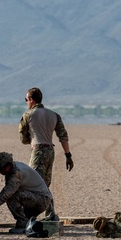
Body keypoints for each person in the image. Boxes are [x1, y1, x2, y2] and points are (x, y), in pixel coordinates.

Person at [19, 87, 72, 219]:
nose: (26, 102)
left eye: (26, 100)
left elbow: (22, 138)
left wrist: (31, 138)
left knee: (33, 184)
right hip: (50, 151)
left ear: (32, 100)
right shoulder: (54, 115)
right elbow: (63, 136)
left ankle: (31, 216)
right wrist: (68, 155)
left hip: (38, 151)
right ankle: (50, 214)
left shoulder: (28, 115)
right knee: (45, 185)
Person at [0, 151, 52, 234]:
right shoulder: (14, 167)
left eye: (0, 169)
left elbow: (7, 193)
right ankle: (27, 221)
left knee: (12, 196)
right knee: (14, 194)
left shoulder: (16, 173)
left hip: (42, 200)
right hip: (37, 197)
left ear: (7, 166)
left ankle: (23, 223)